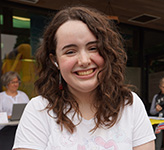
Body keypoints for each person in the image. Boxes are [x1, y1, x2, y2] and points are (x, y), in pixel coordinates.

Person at [13, 6, 155, 150]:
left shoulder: (130, 105)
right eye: (70, 51)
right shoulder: (39, 110)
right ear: (54, 60)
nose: (84, 60)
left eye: (93, 48)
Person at [0, 71, 29, 150]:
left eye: (17, 82)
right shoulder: (1, 97)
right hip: (6, 129)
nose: (16, 84)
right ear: (6, 83)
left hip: (21, 127)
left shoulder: (23, 95)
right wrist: (9, 117)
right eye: (13, 82)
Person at [150, 77, 164, 150]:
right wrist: (156, 110)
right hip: (159, 121)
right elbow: (151, 111)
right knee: (158, 130)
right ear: (160, 87)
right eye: (163, 87)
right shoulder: (156, 97)